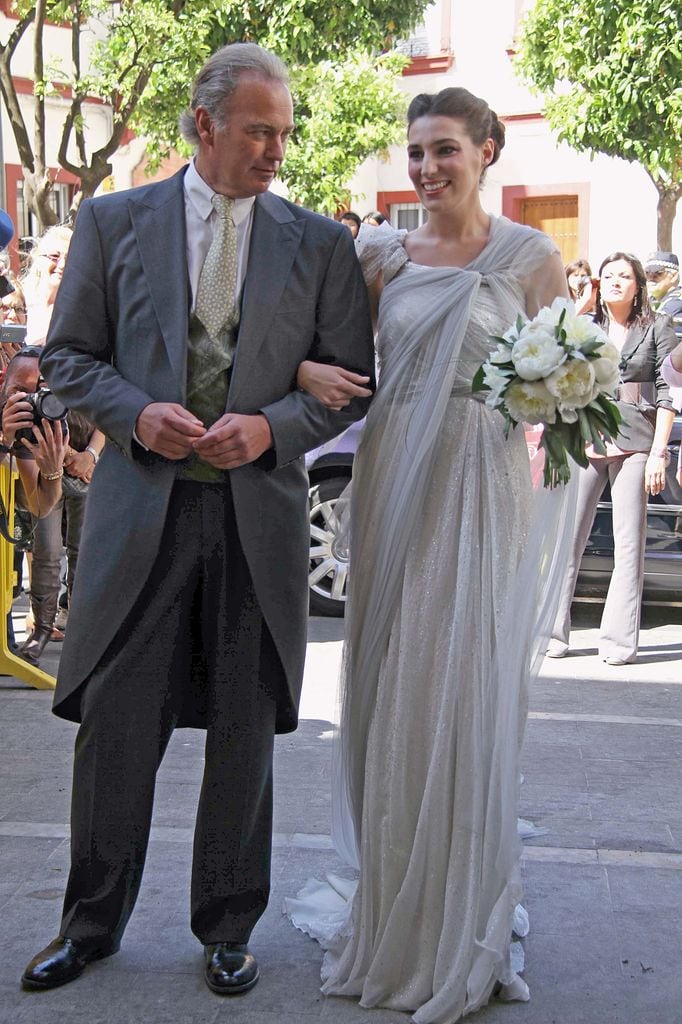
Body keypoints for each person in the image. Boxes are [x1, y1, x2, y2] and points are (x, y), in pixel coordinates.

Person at [20, 42, 374, 995]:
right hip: (141, 513)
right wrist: (137, 415)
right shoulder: (110, 221)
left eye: (284, 133)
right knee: (117, 729)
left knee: (243, 734)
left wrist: (269, 425)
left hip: (256, 524)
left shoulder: (320, 244)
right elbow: (66, 360)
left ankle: (227, 926)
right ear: (205, 123)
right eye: (260, 131)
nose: (277, 151)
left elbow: (346, 388)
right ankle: (90, 924)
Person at [284, 86, 575, 1021]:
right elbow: (322, 355)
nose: (426, 168)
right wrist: (299, 372)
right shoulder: (378, 255)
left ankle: (461, 918)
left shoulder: (533, 260)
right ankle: (395, 908)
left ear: (487, 151)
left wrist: (551, 401)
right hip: (392, 475)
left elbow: (565, 381)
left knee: (466, 687)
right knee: (395, 687)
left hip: (481, 484)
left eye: (445, 150)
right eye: (416, 153)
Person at [548, 252, 677, 665]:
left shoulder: (658, 327)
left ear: (639, 284)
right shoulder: (586, 325)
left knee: (628, 545)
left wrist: (659, 452)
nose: (616, 280)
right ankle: (551, 633)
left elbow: (669, 390)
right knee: (567, 539)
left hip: (637, 441)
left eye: (625, 275)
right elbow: (549, 352)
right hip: (586, 436)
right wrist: (581, 306)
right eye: (609, 275)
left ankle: (619, 642)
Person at [16, 228, 105, 664]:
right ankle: (42, 629)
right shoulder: (25, 309)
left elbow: (112, 400)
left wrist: (90, 455)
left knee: (86, 547)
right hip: (39, 441)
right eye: (53, 256)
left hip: (88, 443)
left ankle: (81, 626)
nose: (61, 265)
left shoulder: (97, 316)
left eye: (71, 257)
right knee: (46, 544)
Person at [644, 251, 682, 340]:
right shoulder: (654, 301)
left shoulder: (677, 303)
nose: (650, 279)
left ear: (673, 276)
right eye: (647, 273)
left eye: (657, 274)